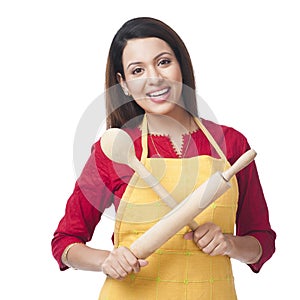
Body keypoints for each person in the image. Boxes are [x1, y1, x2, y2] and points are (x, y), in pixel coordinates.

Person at [51, 17, 276, 299]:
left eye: (164, 62)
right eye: (137, 70)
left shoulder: (231, 144)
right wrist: (106, 260)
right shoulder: (113, 150)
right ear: (123, 84)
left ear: (181, 65)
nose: (154, 78)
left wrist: (229, 243)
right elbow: (65, 243)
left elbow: (262, 242)